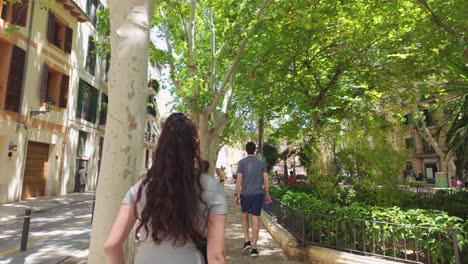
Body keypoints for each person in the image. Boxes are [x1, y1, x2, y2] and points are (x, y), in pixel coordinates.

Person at [104, 113, 228, 264]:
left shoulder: (140, 188)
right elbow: (216, 257)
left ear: (161, 146)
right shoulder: (211, 188)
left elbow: (111, 246)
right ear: (193, 147)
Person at [234, 142, 271, 258]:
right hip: (258, 194)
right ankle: (254, 248)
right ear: (255, 150)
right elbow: (266, 180)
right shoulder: (261, 163)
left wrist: (236, 194)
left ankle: (247, 240)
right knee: (256, 220)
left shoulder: (241, 162)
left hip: (245, 195)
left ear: (246, 150)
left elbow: (239, 180)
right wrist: (268, 194)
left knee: (244, 216)